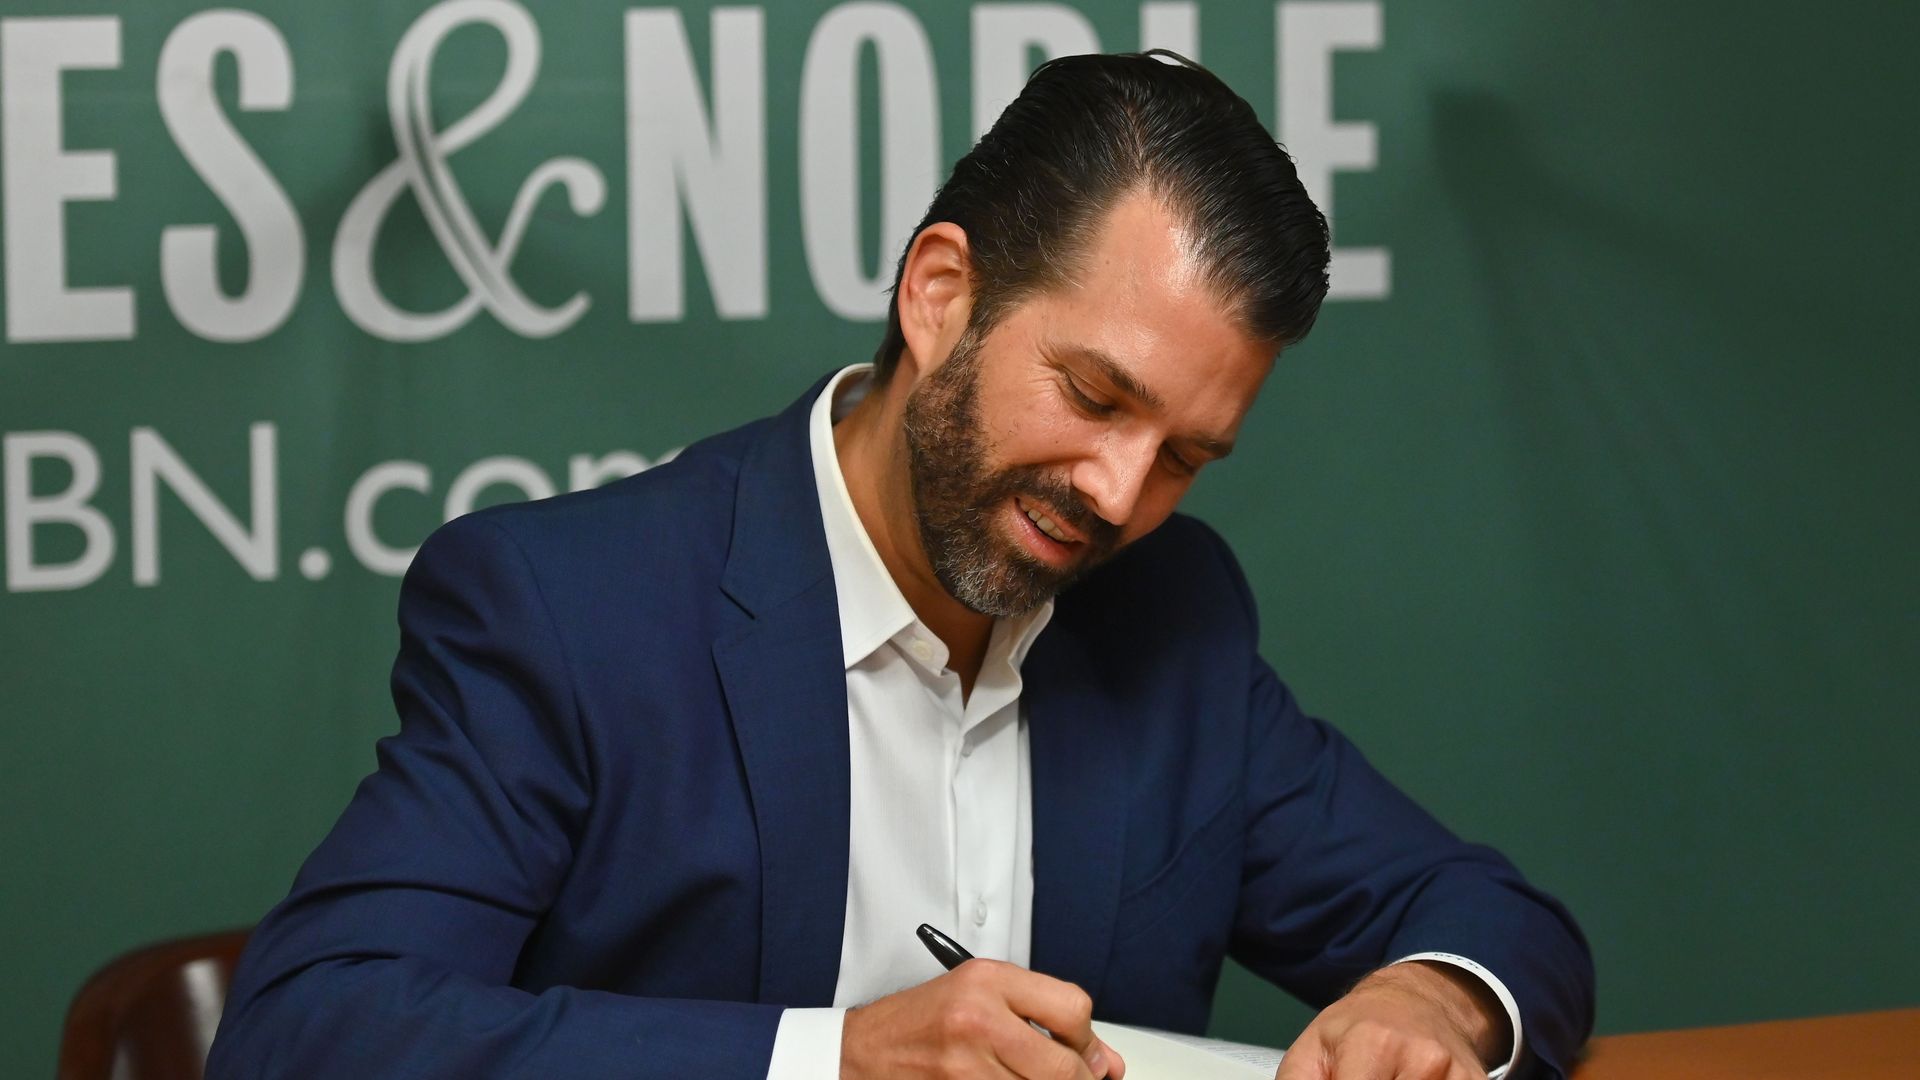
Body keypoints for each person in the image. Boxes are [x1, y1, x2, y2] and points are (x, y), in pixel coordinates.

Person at [208, 52, 1593, 1080]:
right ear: (940, 294)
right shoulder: (569, 611)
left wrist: (1435, 1002)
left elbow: (1492, 922)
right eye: (1095, 396)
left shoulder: (1172, 617)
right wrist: (831, 1060)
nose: (1120, 494)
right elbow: (309, 1030)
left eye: (1185, 455)